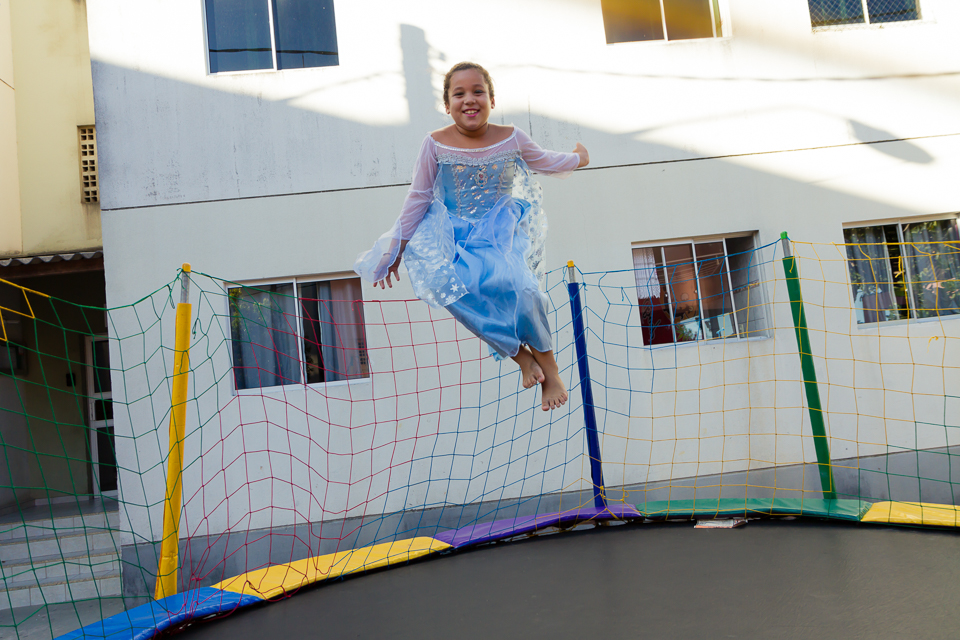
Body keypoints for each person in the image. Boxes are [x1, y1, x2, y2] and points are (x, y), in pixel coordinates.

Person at [354, 62, 589, 411]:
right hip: (451, 234)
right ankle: (520, 357)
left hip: (499, 232)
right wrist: (396, 250)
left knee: (521, 287)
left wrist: (577, 158)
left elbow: (543, 160)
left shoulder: (511, 136)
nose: (469, 100)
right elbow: (418, 197)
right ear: (447, 104)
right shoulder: (434, 144)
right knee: (451, 289)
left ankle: (549, 366)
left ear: (492, 99)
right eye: (459, 94)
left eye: (478, 91)